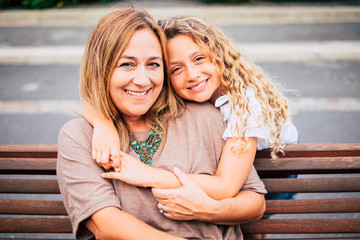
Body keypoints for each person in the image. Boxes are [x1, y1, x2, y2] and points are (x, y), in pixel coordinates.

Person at [57, 7, 266, 239]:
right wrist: (103, 121)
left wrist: (207, 209)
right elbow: (106, 225)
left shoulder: (205, 116)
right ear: (101, 68)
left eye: (153, 65)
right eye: (127, 64)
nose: (142, 80)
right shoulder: (79, 136)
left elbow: (254, 202)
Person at [83, 15, 298, 201]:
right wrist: (104, 124)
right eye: (176, 69)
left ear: (220, 56)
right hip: (239, 166)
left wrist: (150, 175)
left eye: (199, 59)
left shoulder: (244, 106)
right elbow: (92, 98)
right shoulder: (181, 92)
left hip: (274, 169)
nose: (192, 75)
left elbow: (226, 186)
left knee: (251, 226)